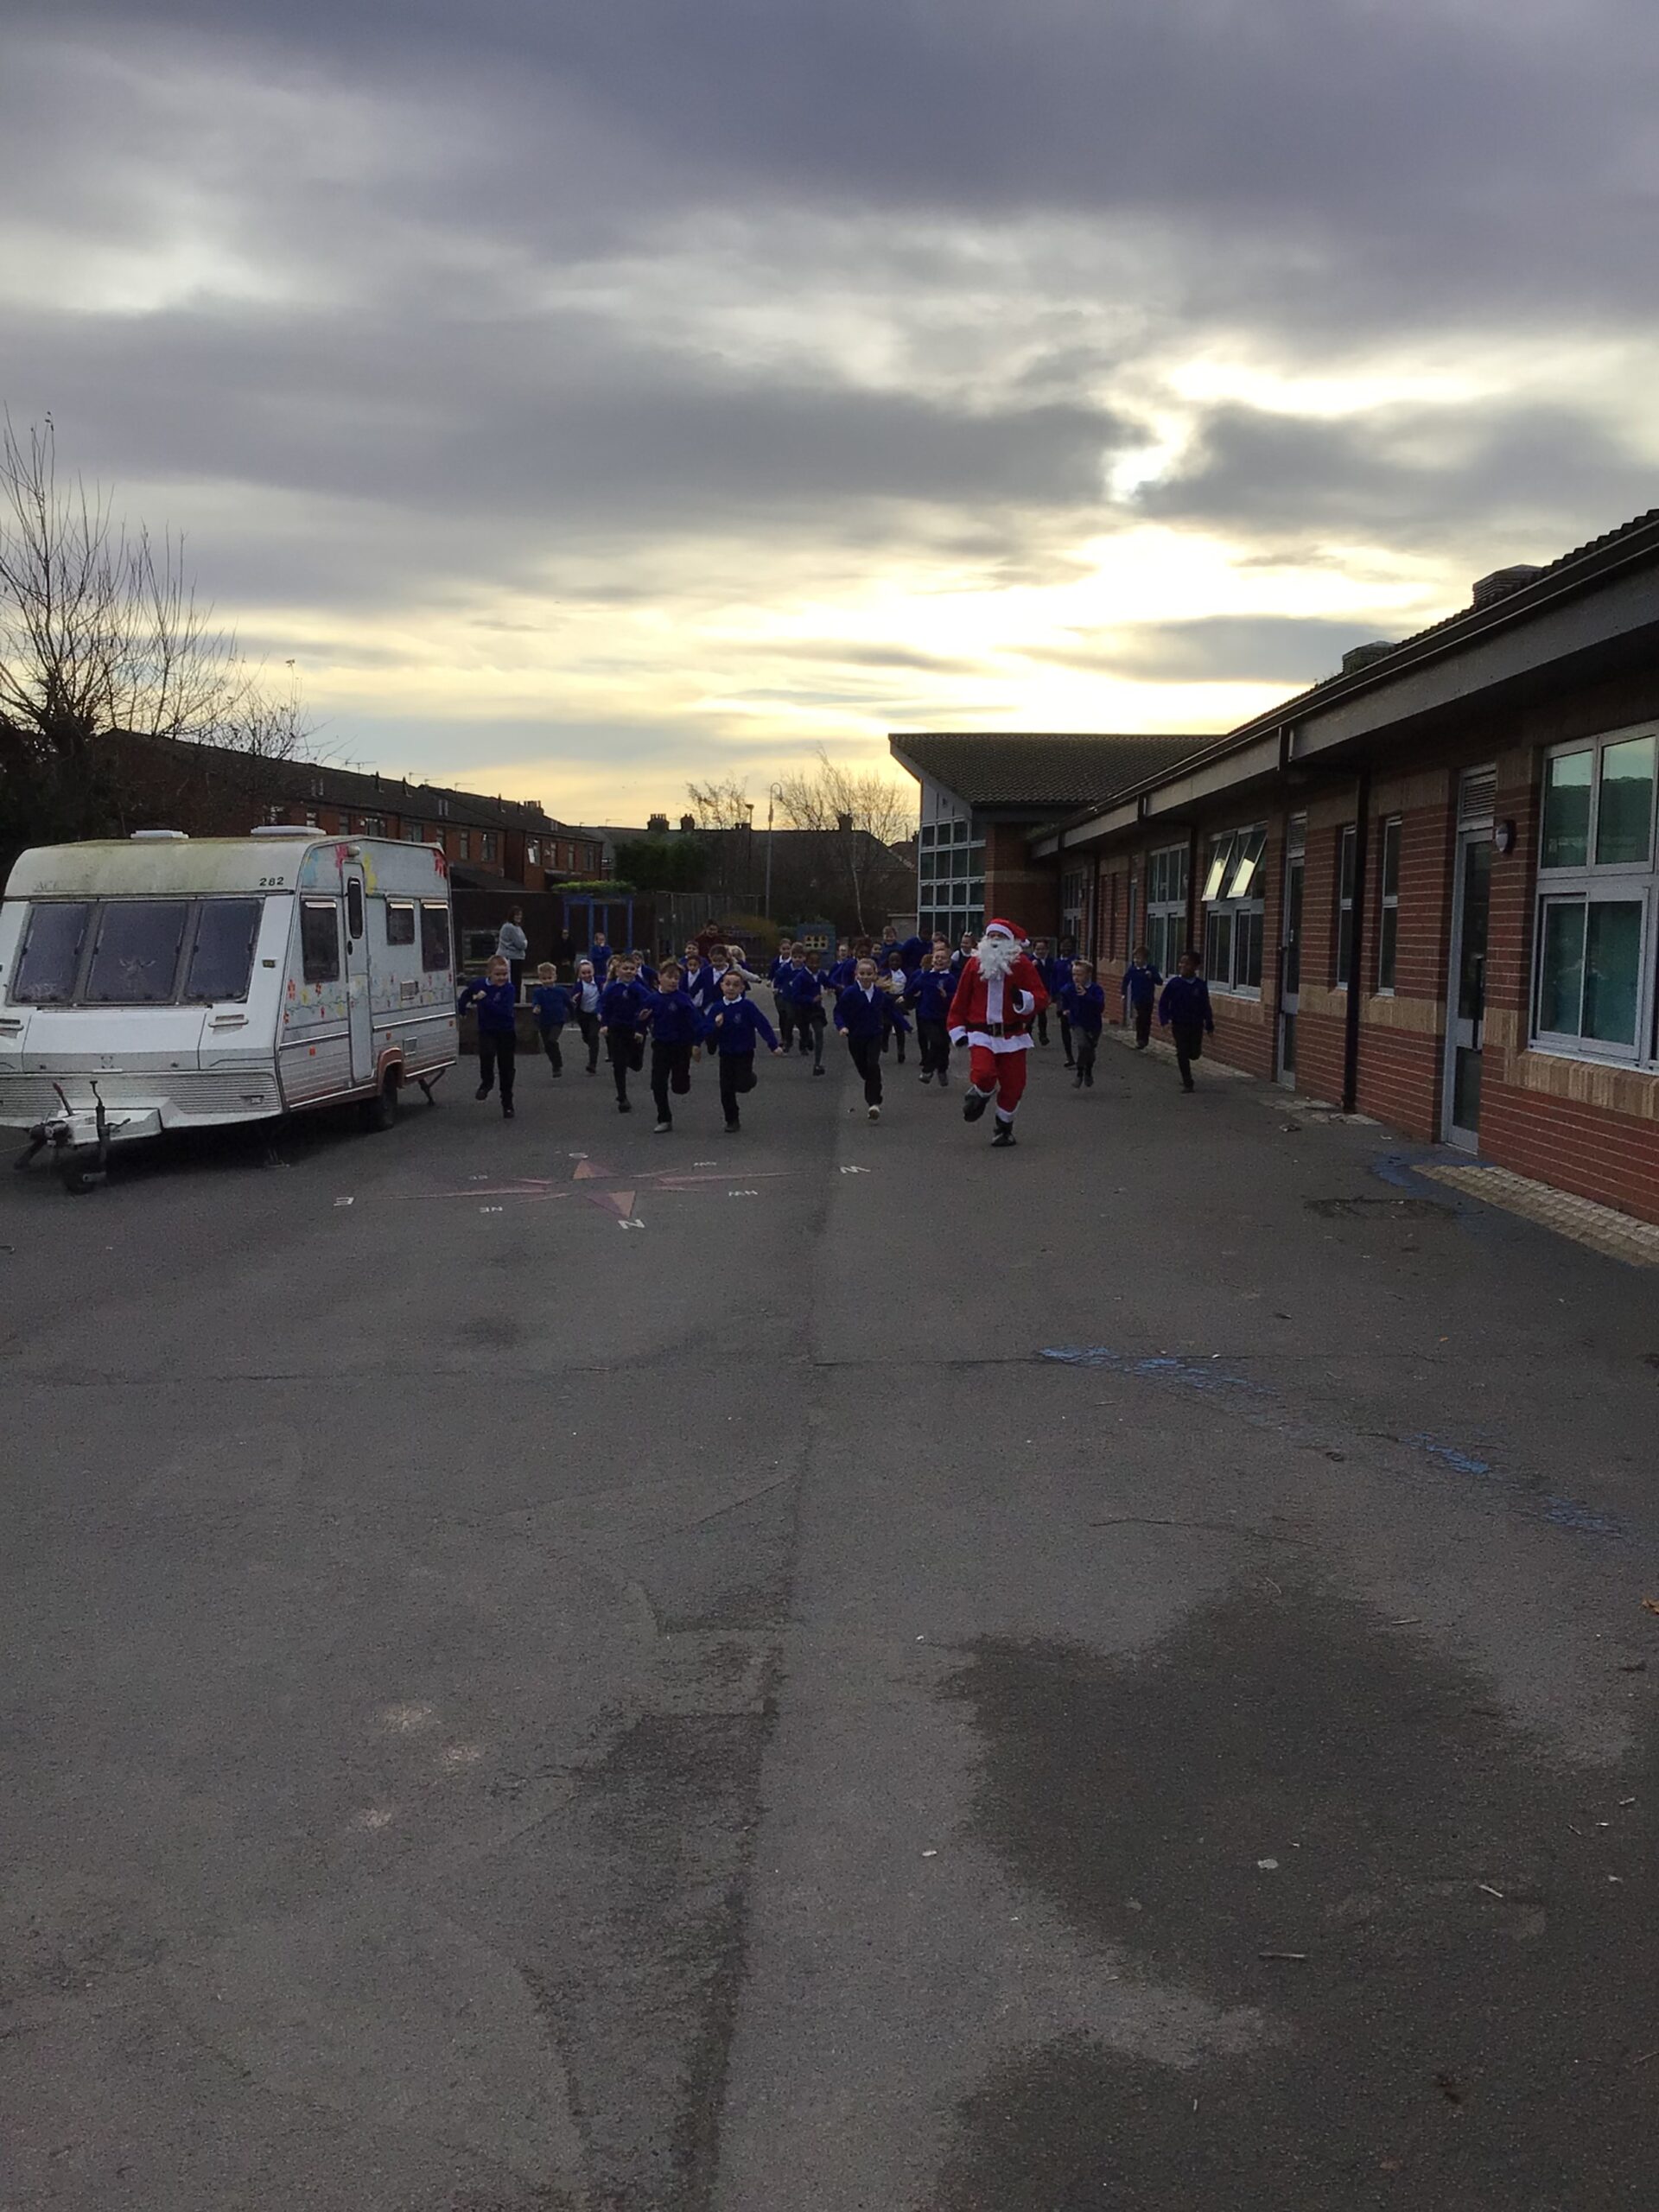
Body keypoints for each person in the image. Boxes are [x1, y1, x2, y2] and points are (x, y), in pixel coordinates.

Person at [947, 918, 1049, 1147]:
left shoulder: (1022, 965)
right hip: (981, 1033)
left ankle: (1003, 1128)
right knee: (984, 1073)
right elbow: (961, 999)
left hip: (1012, 1036)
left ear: (1010, 942)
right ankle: (981, 1092)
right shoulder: (974, 964)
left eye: (999, 937)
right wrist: (957, 1029)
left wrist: (1022, 999)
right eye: (991, 936)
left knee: (1014, 1085)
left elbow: (1041, 997)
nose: (994, 940)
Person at [706, 969, 780, 1132]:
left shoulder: (747, 1006)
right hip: (726, 1053)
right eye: (727, 984)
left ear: (742, 988)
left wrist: (773, 1045)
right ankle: (732, 1119)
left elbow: (762, 1024)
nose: (731, 988)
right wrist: (715, 1027)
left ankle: (750, 1079)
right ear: (722, 986)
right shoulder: (717, 1007)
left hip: (744, 1052)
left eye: (736, 985)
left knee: (743, 1084)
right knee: (726, 1089)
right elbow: (707, 1029)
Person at [836, 955, 908, 1122]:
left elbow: (891, 1011)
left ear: (875, 975)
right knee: (864, 1069)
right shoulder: (850, 993)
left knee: (872, 1064)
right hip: (855, 1037)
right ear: (856, 975)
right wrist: (842, 1026)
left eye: (869, 974)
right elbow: (839, 1012)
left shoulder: (879, 994)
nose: (866, 977)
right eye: (862, 973)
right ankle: (874, 1081)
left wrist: (906, 1026)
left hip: (875, 1035)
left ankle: (874, 1103)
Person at [645, 958, 704, 1133]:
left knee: (680, 1087)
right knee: (658, 1083)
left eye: (676, 978)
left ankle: (683, 1079)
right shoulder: (652, 999)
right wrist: (640, 1025)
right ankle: (664, 1118)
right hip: (661, 1045)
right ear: (660, 977)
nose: (673, 981)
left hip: (681, 1046)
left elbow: (697, 1023)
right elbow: (642, 1017)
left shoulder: (683, 999)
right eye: (669, 977)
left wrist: (696, 1043)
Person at [458, 955, 518, 1118]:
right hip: (487, 1030)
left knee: (506, 1068)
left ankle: (507, 1103)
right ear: (489, 974)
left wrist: (483, 1001)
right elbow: (467, 994)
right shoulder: (479, 985)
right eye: (498, 974)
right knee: (486, 1054)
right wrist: (462, 1008)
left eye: (505, 974)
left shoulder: (509, 989)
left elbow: (504, 1011)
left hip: (506, 1031)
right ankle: (487, 1083)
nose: (502, 978)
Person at [599, 956, 652, 1112]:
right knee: (619, 1063)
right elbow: (604, 1006)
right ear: (617, 971)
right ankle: (622, 1096)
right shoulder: (612, 988)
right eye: (625, 968)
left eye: (632, 969)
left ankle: (630, 1060)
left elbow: (647, 1007)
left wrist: (641, 1028)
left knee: (636, 1064)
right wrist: (604, 1023)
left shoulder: (639, 988)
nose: (629, 971)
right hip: (616, 1029)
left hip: (634, 1030)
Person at [1159, 951, 1215, 1091]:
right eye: (1181, 962)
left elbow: (1206, 1006)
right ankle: (1188, 1082)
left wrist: (1209, 1026)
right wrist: (1164, 1020)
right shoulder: (1174, 984)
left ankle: (1192, 1054)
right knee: (1182, 1052)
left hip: (1196, 1024)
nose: (1182, 966)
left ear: (1195, 967)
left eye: (1187, 964)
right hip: (1179, 1023)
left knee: (1194, 1054)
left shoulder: (1200, 985)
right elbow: (1163, 1003)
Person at [907, 947, 957, 1086]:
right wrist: (905, 998)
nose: (939, 960)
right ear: (932, 960)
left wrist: (947, 996)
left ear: (949, 962)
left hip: (944, 1017)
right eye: (937, 957)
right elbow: (912, 989)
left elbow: (956, 996)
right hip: (927, 1016)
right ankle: (927, 1070)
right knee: (936, 1041)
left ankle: (942, 1070)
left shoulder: (950, 979)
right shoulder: (925, 976)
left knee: (944, 1046)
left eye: (943, 958)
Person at [1059, 958, 1106, 1089]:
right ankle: (1080, 1072)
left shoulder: (1096, 989)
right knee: (1082, 1045)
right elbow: (1063, 996)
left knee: (1090, 1051)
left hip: (1093, 1024)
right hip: (1077, 1022)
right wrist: (1065, 1009)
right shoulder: (1069, 988)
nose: (1076, 977)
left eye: (1079, 974)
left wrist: (1086, 996)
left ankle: (1088, 1070)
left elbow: (1100, 1007)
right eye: (1074, 974)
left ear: (1088, 975)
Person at [787, 948, 830, 1073]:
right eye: (812, 962)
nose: (814, 965)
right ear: (806, 962)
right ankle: (807, 1038)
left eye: (817, 962)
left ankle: (817, 1064)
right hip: (801, 1010)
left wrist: (839, 987)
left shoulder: (820, 974)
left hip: (815, 1010)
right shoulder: (800, 977)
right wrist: (811, 999)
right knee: (804, 1033)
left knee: (819, 1032)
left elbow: (828, 983)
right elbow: (795, 996)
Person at [530, 961, 570, 1077]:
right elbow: (535, 1001)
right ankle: (554, 1063)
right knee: (547, 1045)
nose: (547, 981)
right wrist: (536, 1007)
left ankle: (557, 1065)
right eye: (544, 979)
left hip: (558, 1020)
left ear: (555, 977)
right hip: (544, 1021)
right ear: (540, 979)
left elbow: (568, 1003)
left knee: (552, 1040)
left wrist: (572, 1014)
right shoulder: (538, 992)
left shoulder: (561, 991)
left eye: (549, 978)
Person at [1121, 944, 1162, 1049]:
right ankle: (1140, 1039)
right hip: (1137, 998)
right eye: (1135, 958)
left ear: (1145, 959)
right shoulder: (1132, 970)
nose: (1136, 960)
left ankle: (1145, 1038)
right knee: (1140, 1017)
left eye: (1138, 958)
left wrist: (1152, 976)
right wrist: (1123, 994)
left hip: (1148, 998)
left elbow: (1160, 982)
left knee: (1146, 1018)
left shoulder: (1151, 969)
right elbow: (1125, 981)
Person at [571, 957, 603, 1075]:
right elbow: (572, 998)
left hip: (595, 1014)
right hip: (583, 1014)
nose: (587, 975)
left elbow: (609, 982)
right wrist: (574, 1000)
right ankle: (591, 1045)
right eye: (583, 973)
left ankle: (592, 1064)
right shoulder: (578, 986)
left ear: (593, 971)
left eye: (589, 972)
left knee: (593, 1036)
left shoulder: (600, 982)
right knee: (586, 1036)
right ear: (579, 974)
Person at [881, 948, 910, 1063]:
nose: (894, 963)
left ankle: (901, 1050)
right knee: (886, 1023)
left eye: (897, 961)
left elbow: (909, 987)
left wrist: (906, 998)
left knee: (899, 1026)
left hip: (899, 999)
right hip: (887, 999)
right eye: (892, 960)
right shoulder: (884, 973)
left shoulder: (905, 973)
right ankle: (884, 1041)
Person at [771, 938, 798, 1053]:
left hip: (790, 993)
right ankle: (784, 1037)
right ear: (780, 949)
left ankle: (789, 1038)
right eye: (784, 949)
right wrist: (772, 983)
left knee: (790, 1015)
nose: (786, 951)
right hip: (779, 992)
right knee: (782, 1014)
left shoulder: (794, 962)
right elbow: (772, 974)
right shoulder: (776, 962)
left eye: (788, 949)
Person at [496, 906, 529, 999]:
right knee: (513, 982)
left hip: (517, 958)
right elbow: (521, 944)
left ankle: (516, 1000)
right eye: (517, 915)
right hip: (510, 958)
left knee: (517, 982)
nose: (519, 917)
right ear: (512, 916)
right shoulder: (509, 927)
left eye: (520, 915)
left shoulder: (517, 928)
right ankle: (513, 1001)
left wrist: (524, 943)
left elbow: (523, 942)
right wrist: (524, 943)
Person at [1028, 938, 1054, 1046]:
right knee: (1031, 1015)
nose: (1040, 952)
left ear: (1047, 950)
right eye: (1038, 949)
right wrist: (1031, 966)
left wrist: (1051, 993)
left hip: (1044, 991)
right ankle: (1028, 1033)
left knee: (1042, 1014)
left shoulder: (1050, 961)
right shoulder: (1030, 961)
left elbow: (1052, 977)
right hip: (1032, 991)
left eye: (1043, 949)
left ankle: (1043, 1035)